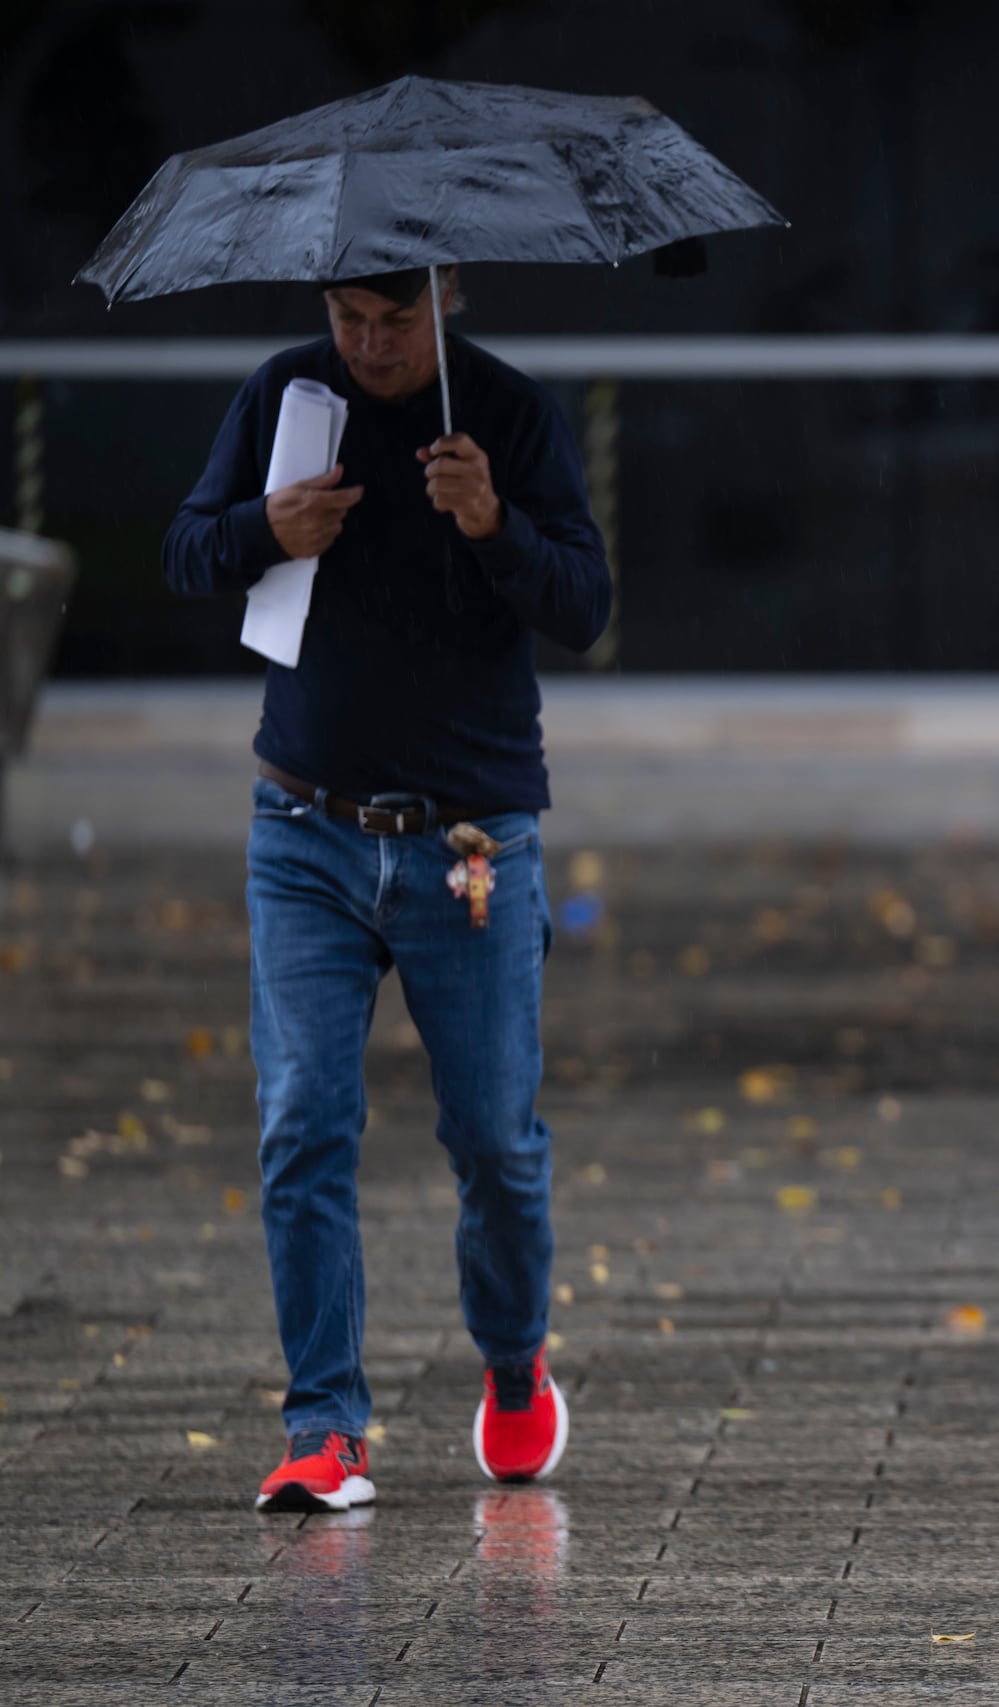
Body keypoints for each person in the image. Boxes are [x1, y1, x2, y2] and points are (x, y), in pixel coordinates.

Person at [164, 266, 610, 1512]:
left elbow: (587, 602)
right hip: (301, 826)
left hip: (470, 847)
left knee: (494, 1144)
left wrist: (494, 526)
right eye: (347, 319)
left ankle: (515, 1366)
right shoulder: (282, 398)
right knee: (303, 1123)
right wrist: (268, 528)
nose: (368, 345)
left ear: (446, 294)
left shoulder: (509, 418)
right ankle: (326, 1428)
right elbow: (186, 552)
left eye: (395, 320)